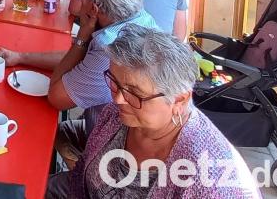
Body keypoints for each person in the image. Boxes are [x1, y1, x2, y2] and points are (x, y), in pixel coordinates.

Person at [46, 25, 261, 198]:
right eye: (114, 82)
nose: (118, 99)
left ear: (179, 99)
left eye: (134, 92)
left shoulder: (209, 181)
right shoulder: (119, 115)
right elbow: (83, 173)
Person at [0, 0, 157, 169]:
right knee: (56, 131)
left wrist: (82, 36)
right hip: (127, 138)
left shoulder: (108, 45)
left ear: (94, 7)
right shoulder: (140, 19)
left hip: (123, 164)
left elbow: (56, 96)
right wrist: (20, 57)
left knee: (31, 156)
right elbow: (79, 60)